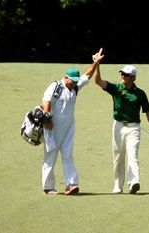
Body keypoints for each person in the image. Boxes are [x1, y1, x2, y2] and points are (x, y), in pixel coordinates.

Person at [41, 49, 104, 195]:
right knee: (50, 155)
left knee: (68, 154)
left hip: (68, 127)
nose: (74, 84)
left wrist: (95, 63)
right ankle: (48, 187)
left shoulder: (74, 86)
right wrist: (48, 119)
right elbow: (46, 101)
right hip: (52, 127)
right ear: (66, 78)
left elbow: (87, 75)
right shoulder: (55, 86)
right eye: (72, 81)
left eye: (75, 82)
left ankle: (71, 184)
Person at [94, 56, 149, 194]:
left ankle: (134, 182)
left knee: (132, 154)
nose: (122, 76)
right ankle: (118, 185)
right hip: (118, 126)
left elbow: (148, 111)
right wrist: (97, 64)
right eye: (122, 73)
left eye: (126, 74)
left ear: (133, 78)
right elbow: (98, 81)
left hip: (134, 128)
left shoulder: (140, 94)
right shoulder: (116, 88)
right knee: (118, 157)